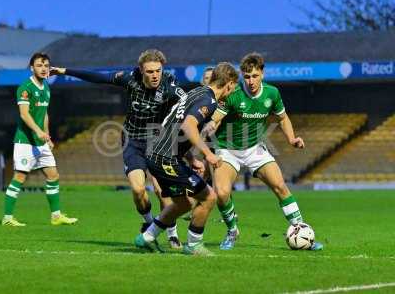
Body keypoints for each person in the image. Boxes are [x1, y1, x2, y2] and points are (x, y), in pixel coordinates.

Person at [50, 49, 183, 248]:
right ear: (141, 70)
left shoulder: (170, 83)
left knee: (161, 190)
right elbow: (98, 78)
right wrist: (64, 71)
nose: (155, 75)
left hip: (157, 141)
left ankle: (172, 234)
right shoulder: (129, 79)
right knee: (138, 190)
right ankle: (149, 226)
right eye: (150, 72)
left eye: (158, 71)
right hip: (133, 141)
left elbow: (189, 103)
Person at [204, 52, 323, 251]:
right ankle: (232, 231)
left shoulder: (272, 94)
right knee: (222, 193)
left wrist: (292, 139)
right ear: (242, 76)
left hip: (254, 149)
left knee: (280, 186)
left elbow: (283, 118)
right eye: (247, 76)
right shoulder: (233, 94)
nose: (251, 81)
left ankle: (300, 230)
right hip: (227, 149)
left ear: (263, 74)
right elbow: (216, 118)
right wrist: (209, 127)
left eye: (255, 76)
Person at [134, 62, 238, 256]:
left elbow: (175, 126)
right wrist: (208, 154)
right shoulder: (209, 100)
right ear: (229, 84)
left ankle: (146, 238)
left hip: (158, 154)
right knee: (209, 197)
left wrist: (190, 158)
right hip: (164, 158)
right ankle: (193, 244)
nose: (232, 92)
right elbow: (188, 126)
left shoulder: (195, 93)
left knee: (183, 204)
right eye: (233, 88)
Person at [2, 52, 78, 226]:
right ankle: (7, 218)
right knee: (20, 177)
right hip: (25, 142)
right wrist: (37, 131)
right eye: (39, 65)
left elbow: (44, 115)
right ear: (32, 68)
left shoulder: (47, 88)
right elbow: (24, 114)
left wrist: (47, 135)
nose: (43, 69)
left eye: (46, 66)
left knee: (53, 175)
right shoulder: (25, 87)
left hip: (41, 141)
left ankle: (56, 216)